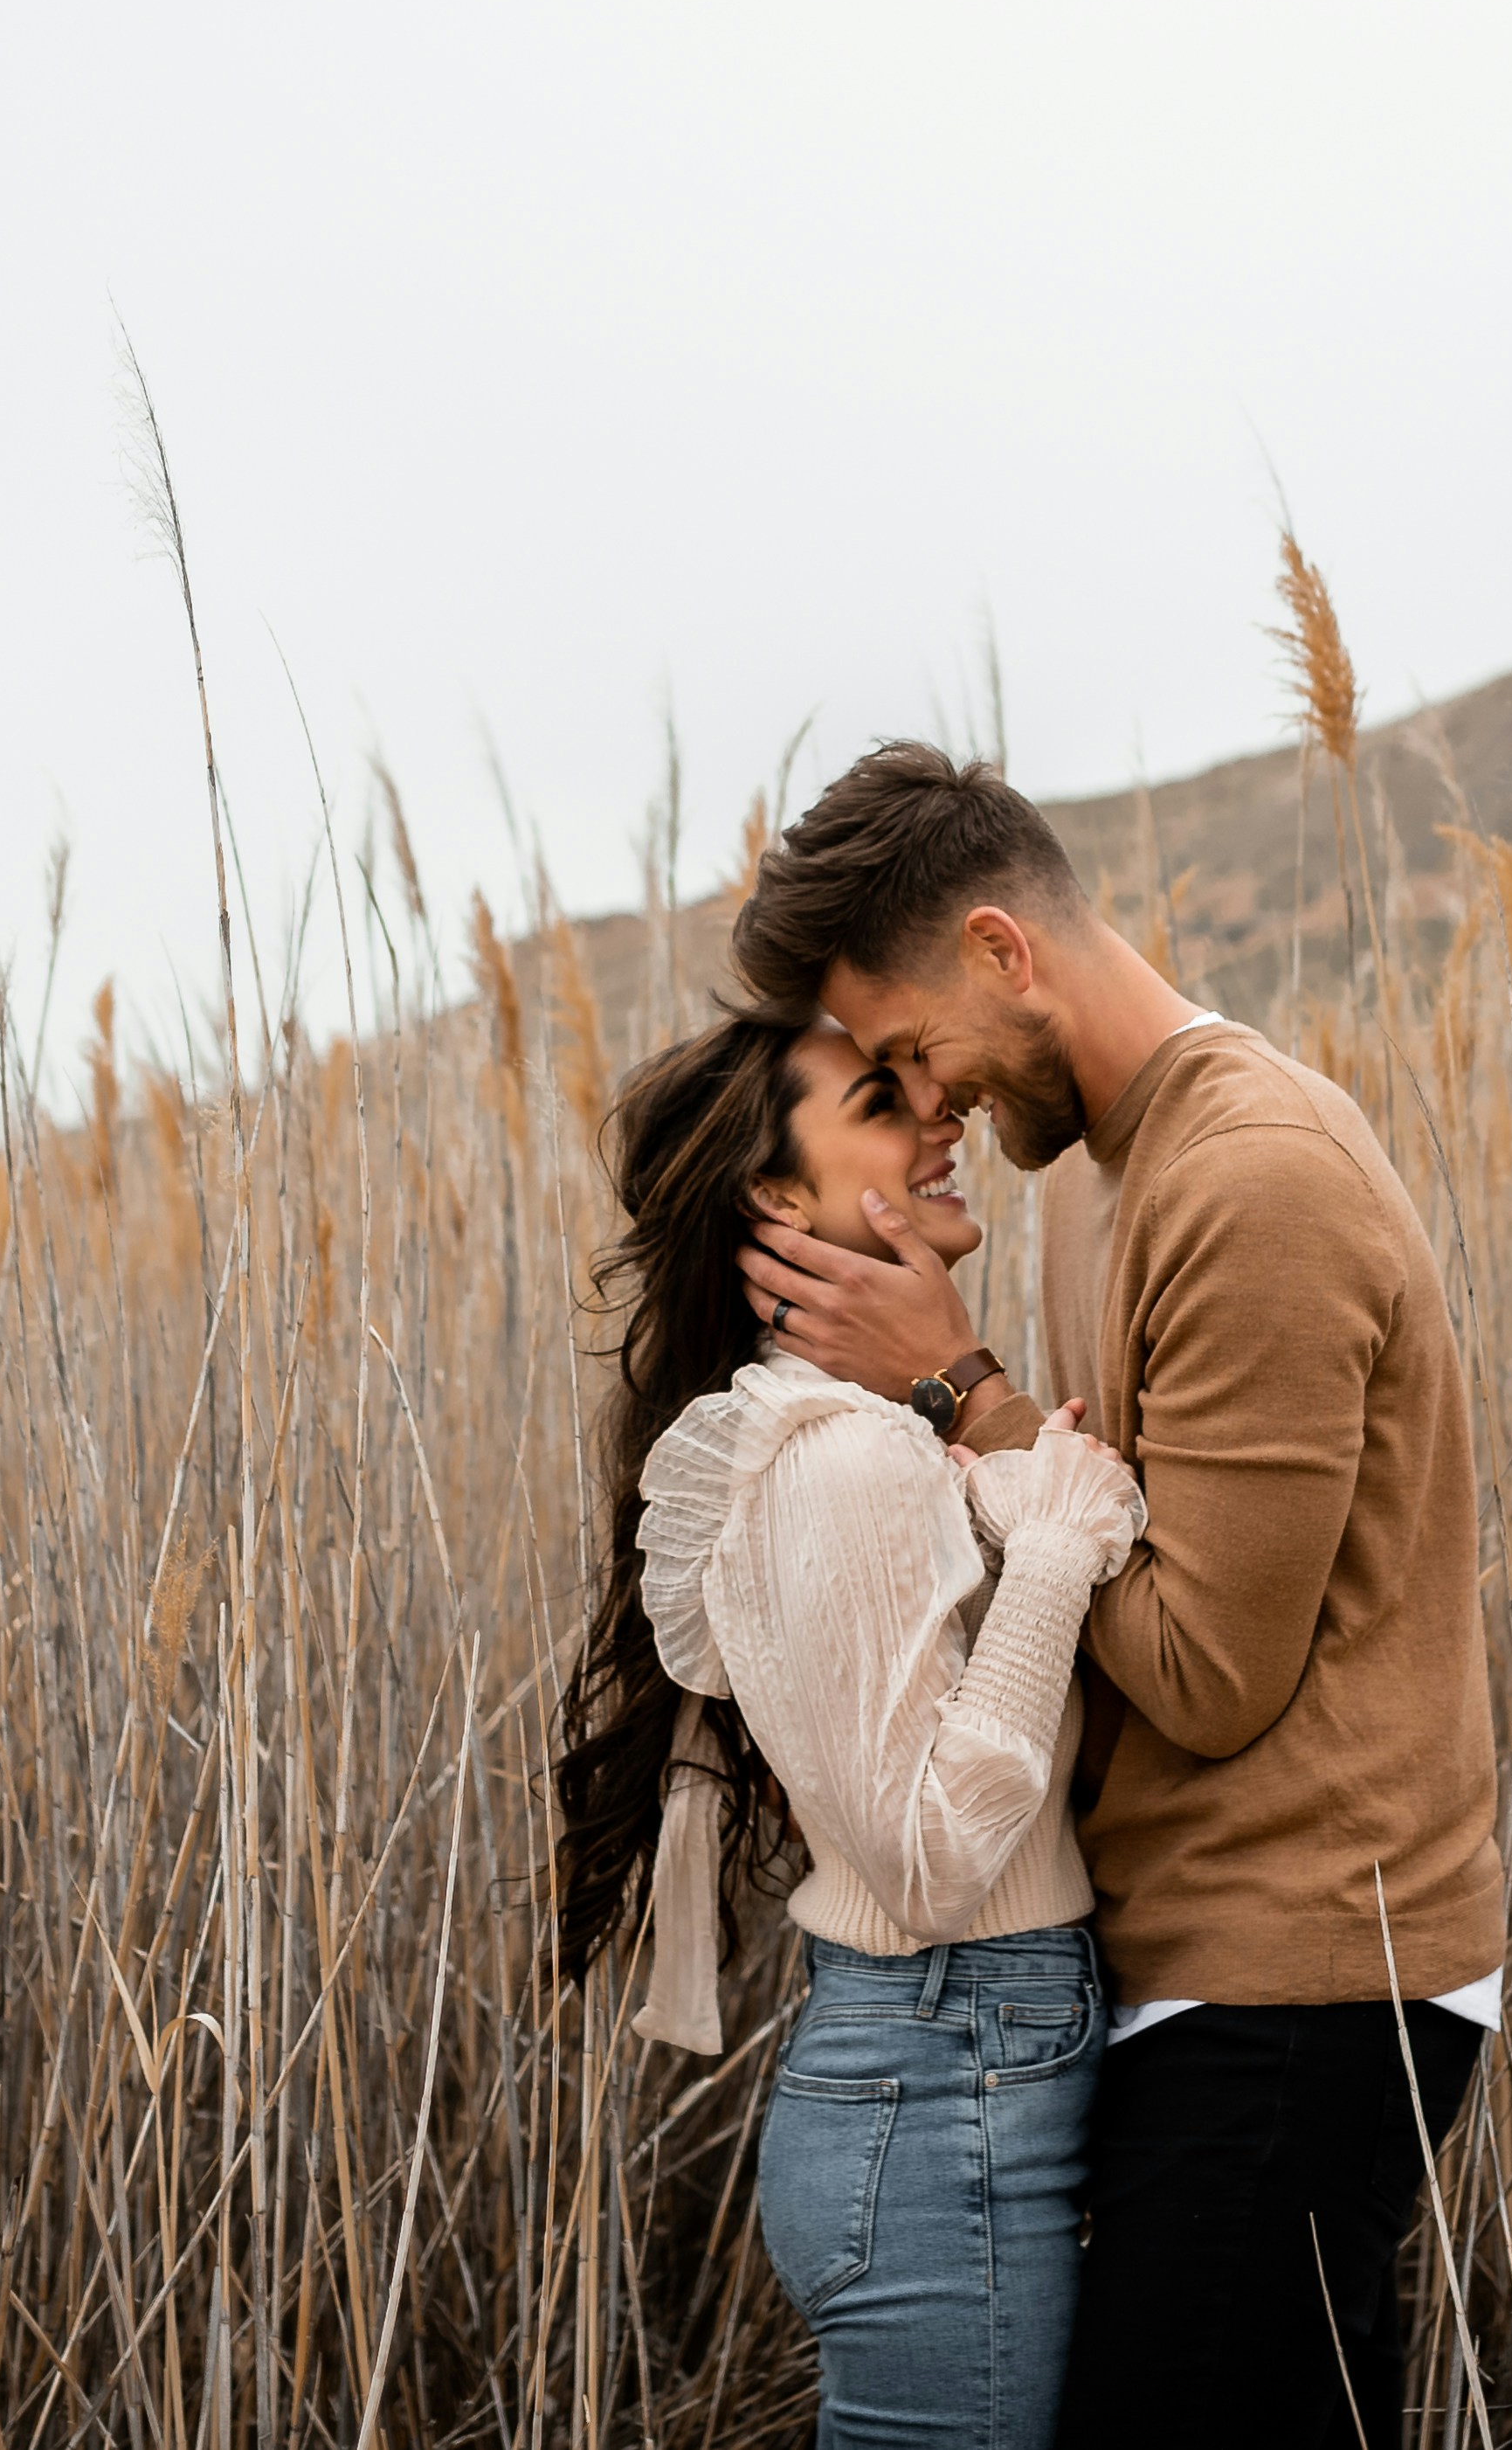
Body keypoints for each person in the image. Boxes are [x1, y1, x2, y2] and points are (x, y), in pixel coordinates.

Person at [730, 741, 1507, 2449]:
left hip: (1302, 1976)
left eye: (916, 1048)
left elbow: (1214, 1670)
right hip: (1193, 1973)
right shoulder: (1091, 1168)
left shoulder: (1252, 1177)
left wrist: (964, 1395)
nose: (924, 1105)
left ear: (1005, 950)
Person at [550, 1008, 1148, 2450]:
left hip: (950, 2081)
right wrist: (1055, 1549)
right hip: (946, 2086)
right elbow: (936, 1858)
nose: (942, 1118)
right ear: (776, 1193)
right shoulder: (840, 1462)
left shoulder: (865, 1438)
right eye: (885, 1102)